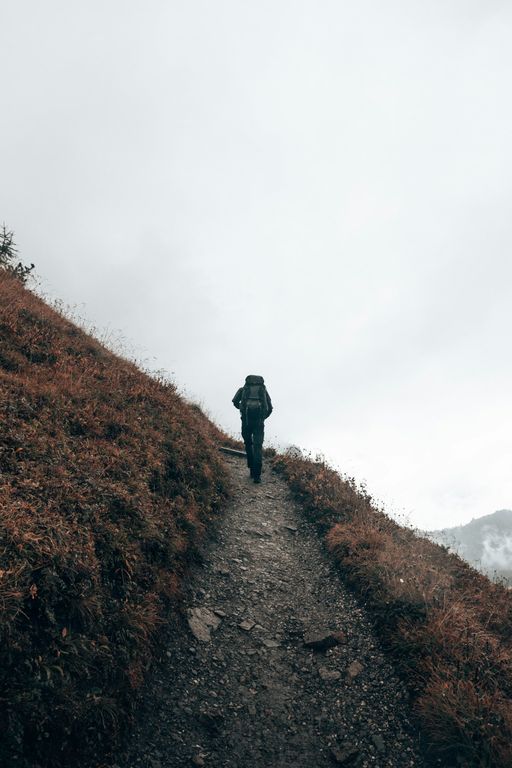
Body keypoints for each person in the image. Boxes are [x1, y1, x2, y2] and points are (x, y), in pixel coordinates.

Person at [232, 375, 273, 483]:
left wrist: (242, 410)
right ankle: (257, 476)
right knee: (258, 447)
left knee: (248, 444)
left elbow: (235, 401)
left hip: (246, 422)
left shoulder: (243, 390)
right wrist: (262, 418)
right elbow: (270, 408)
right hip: (259, 423)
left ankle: (251, 467)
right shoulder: (263, 391)